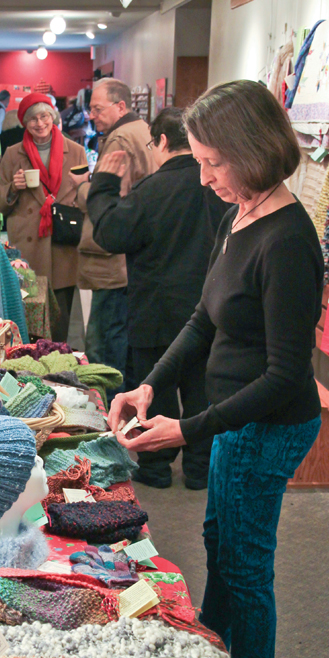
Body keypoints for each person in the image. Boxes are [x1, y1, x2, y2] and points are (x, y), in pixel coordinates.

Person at [107, 80, 324, 658]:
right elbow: (204, 318)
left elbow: (285, 375)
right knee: (218, 547)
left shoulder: (287, 241)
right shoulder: (239, 215)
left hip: (267, 424)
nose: (203, 180)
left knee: (244, 567)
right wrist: (150, 386)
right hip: (232, 416)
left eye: (212, 163)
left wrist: (188, 427)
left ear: (250, 151)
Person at [86, 107, 228, 489]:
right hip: (212, 310)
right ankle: (200, 471)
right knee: (203, 393)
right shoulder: (223, 187)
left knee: (154, 392)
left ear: (162, 141)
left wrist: (102, 184)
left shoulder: (152, 190)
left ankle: (155, 469)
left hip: (156, 309)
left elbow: (111, 233)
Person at [72, 78, 155, 393]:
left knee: (104, 345)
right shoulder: (142, 131)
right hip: (130, 257)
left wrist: (81, 188)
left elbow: (109, 201)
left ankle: (109, 421)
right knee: (124, 343)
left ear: (121, 106)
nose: (92, 115)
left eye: (97, 108)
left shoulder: (119, 138)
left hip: (111, 260)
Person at [0, 92, 87, 342]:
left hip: (63, 241)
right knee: (29, 312)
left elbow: (85, 193)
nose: (40, 123)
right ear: (25, 123)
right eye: (32, 118)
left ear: (53, 116)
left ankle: (59, 359)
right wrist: (13, 187)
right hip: (28, 244)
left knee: (61, 318)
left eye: (44, 116)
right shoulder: (13, 154)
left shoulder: (76, 151)